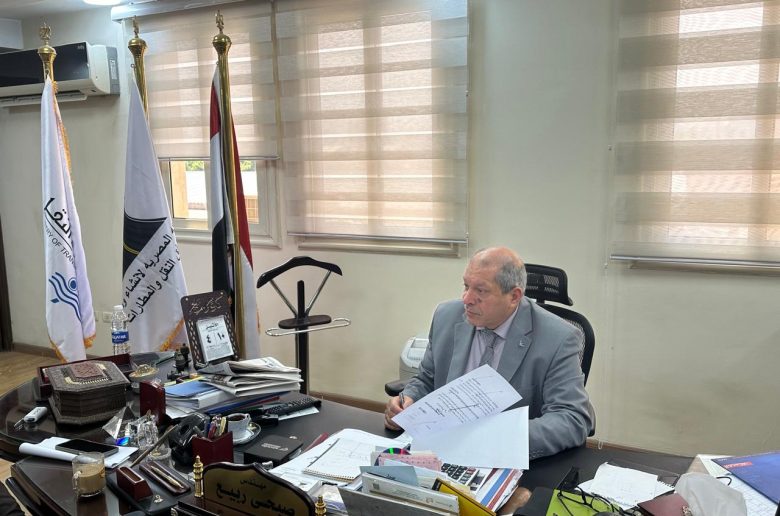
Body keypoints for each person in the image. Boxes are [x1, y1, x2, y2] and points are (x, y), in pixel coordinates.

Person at [385, 246, 594, 460]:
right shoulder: (446, 316)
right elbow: (428, 379)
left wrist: (496, 438)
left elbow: (572, 418)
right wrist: (408, 401)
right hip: (444, 450)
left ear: (514, 297)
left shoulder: (558, 338)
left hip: (508, 460)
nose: (466, 299)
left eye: (481, 291)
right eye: (466, 286)